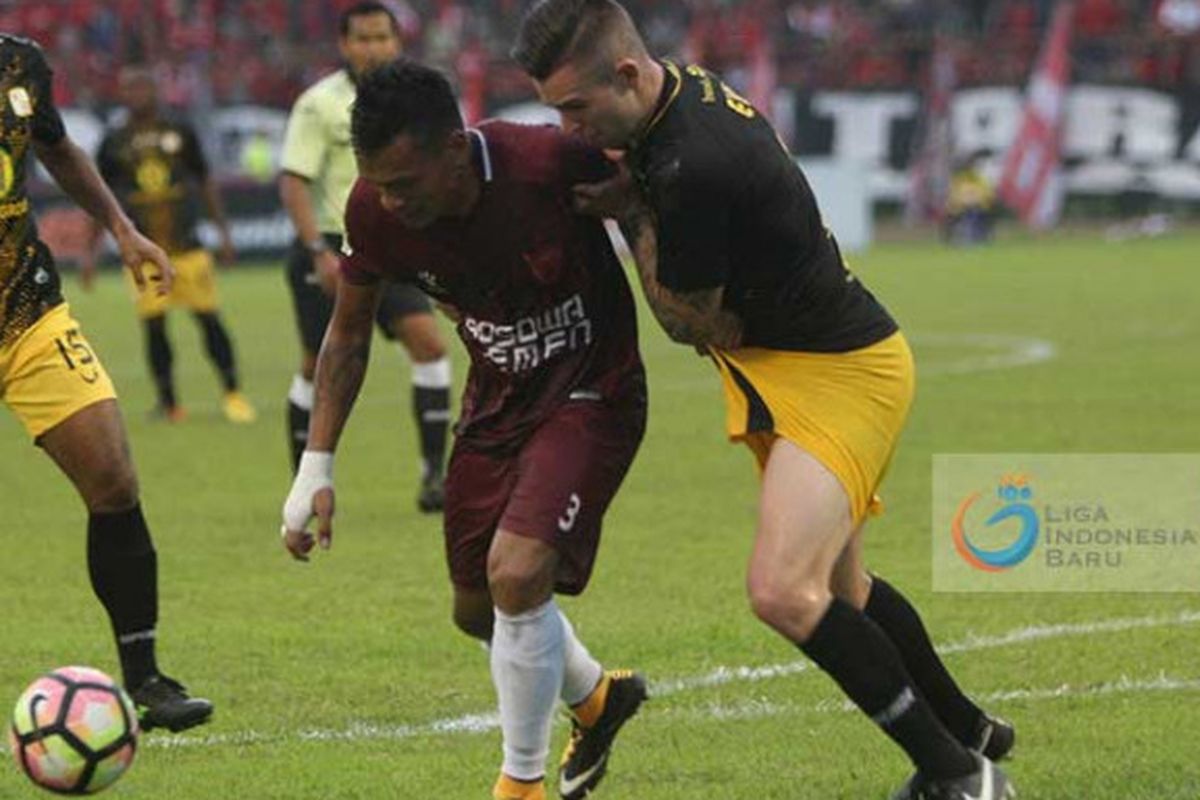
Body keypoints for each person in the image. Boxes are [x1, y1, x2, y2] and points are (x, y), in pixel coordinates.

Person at [512, 2, 1016, 798]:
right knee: (846, 592)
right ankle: (971, 730)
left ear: (629, 74)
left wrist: (629, 214)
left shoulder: (686, 164)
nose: (570, 127)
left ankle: (960, 776)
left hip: (841, 373)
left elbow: (691, 321)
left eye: (575, 107)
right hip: (797, 362)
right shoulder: (667, 110)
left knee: (783, 590)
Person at [279, 60, 648, 800]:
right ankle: (600, 700)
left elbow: (656, 179)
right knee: (477, 609)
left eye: (404, 183)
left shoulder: (545, 162)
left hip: (591, 388)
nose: (389, 200)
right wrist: (314, 466)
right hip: (496, 403)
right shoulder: (376, 211)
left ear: (454, 148)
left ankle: (520, 784)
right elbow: (347, 337)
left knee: (516, 575)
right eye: (376, 182)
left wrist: (649, 228)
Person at [0, 33, 212, 732]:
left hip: (24, 311)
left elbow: (55, 146)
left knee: (114, 479)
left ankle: (146, 677)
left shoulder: (18, 62)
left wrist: (120, 227)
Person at [279, 0, 451, 511]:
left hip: (394, 240)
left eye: (382, 38)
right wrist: (316, 251)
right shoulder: (319, 104)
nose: (373, 48)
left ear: (398, 42)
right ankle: (306, 480)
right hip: (332, 245)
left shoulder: (418, 101)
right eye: (363, 39)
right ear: (344, 45)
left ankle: (433, 477)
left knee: (431, 348)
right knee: (318, 364)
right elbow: (294, 180)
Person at [89, 66, 256, 424]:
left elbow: (205, 180)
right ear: (121, 94)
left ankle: (233, 394)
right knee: (154, 327)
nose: (137, 94)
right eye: (129, 88)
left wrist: (223, 233)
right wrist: (89, 253)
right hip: (142, 253)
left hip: (188, 246)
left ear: (155, 90)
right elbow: (96, 196)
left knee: (209, 320)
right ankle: (169, 403)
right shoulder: (113, 141)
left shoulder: (179, 130)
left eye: (142, 86)